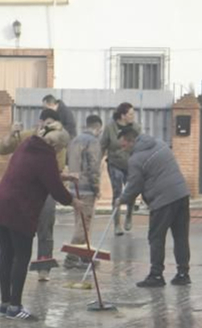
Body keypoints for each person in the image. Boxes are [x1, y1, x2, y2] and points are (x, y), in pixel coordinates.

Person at [0, 120, 74, 320]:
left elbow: (36, 173)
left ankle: (5, 304)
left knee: (6, 254)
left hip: (1, 203)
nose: (59, 152)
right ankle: (15, 307)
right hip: (18, 209)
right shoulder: (46, 156)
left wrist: (65, 178)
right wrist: (74, 202)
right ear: (54, 144)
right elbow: (56, 190)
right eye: (60, 148)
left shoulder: (28, 143)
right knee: (22, 257)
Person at [116, 125, 192, 287]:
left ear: (131, 141)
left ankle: (156, 275)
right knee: (181, 236)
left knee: (156, 237)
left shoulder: (136, 159)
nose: (123, 149)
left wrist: (121, 199)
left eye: (123, 145)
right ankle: (183, 274)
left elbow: (134, 186)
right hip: (181, 194)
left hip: (162, 200)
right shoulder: (160, 144)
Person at [29, 109, 70, 279]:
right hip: (29, 189)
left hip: (48, 190)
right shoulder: (30, 137)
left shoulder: (59, 143)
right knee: (23, 229)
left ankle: (44, 267)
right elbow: (3, 149)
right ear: (40, 123)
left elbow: (57, 170)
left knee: (46, 227)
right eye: (46, 123)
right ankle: (18, 263)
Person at [64, 114, 105, 269]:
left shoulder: (74, 141)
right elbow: (94, 167)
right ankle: (71, 257)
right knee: (84, 225)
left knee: (80, 222)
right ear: (98, 128)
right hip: (87, 188)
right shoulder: (93, 142)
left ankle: (85, 255)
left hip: (74, 187)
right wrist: (96, 187)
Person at [100, 102, 138, 235]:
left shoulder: (136, 127)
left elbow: (140, 145)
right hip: (115, 163)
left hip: (131, 165)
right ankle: (117, 224)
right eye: (130, 114)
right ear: (122, 115)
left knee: (131, 192)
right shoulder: (110, 128)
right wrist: (97, 163)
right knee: (117, 192)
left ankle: (129, 215)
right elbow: (102, 145)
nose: (133, 116)